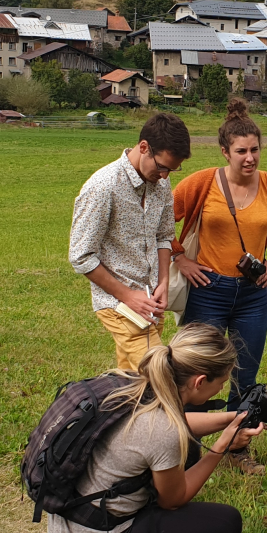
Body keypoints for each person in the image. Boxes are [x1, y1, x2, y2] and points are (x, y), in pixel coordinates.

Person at [48, 323, 267, 533]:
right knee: (225, 525)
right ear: (200, 381)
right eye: (223, 382)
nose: (223, 388)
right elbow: (174, 499)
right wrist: (222, 446)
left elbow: (175, 423)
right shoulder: (161, 431)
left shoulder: (131, 382)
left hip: (75, 521)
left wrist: (234, 418)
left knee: (185, 452)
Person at [170, 99, 267, 474]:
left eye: (255, 150)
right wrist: (179, 257)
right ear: (224, 151)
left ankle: (237, 450)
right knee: (195, 371)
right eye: (241, 151)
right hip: (208, 289)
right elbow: (159, 220)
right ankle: (184, 452)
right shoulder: (202, 183)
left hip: (252, 295)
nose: (249, 158)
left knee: (245, 374)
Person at [70, 112, 192, 370]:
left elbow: (163, 236)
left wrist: (163, 283)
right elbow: (81, 256)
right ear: (144, 147)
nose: (166, 176)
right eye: (162, 167)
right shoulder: (103, 186)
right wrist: (128, 296)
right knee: (162, 377)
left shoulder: (160, 185)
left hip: (150, 303)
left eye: (172, 169)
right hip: (118, 305)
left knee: (132, 385)